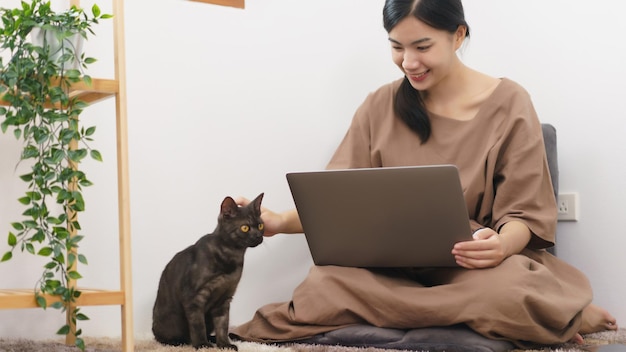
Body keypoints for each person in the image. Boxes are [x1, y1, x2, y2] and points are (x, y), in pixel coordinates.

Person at [231, 0, 618, 348]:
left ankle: (551, 309)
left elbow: (525, 213)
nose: (408, 62)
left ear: (458, 35)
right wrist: (279, 221)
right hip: (386, 266)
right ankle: (546, 314)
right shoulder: (379, 105)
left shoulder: (510, 103)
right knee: (322, 285)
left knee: (510, 291)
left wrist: (500, 246)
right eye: (397, 47)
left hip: (471, 267)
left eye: (422, 47)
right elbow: (338, 202)